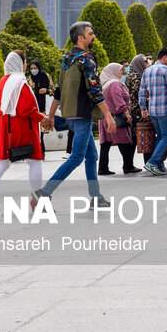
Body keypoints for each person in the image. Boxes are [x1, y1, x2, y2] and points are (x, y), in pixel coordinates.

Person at [39, 21, 116, 206]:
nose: (93, 36)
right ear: (80, 38)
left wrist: (50, 117)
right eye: (90, 34)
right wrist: (108, 115)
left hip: (69, 114)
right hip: (81, 115)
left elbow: (58, 91)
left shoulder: (66, 58)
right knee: (76, 157)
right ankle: (44, 193)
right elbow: (95, 90)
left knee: (91, 156)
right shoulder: (86, 59)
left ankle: (96, 197)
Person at [0, 52, 45, 211]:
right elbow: (25, 109)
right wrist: (43, 118)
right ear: (19, 63)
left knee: (2, 163)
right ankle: (37, 199)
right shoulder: (19, 82)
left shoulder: (3, 81)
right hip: (21, 128)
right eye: (25, 62)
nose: (26, 65)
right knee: (35, 161)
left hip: (5, 127)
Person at [139, 47, 167, 176]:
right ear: (164, 58)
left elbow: (142, 91)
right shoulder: (166, 70)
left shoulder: (147, 70)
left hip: (152, 110)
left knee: (160, 136)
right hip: (165, 109)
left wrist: (143, 108)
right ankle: (152, 162)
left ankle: (159, 165)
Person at [98, 62, 139, 175]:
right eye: (120, 70)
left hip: (105, 117)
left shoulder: (104, 84)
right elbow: (118, 101)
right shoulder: (114, 84)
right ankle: (128, 166)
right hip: (115, 118)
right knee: (124, 141)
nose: (122, 72)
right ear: (113, 71)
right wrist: (126, 113)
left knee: (105, 144)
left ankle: (102, 168)